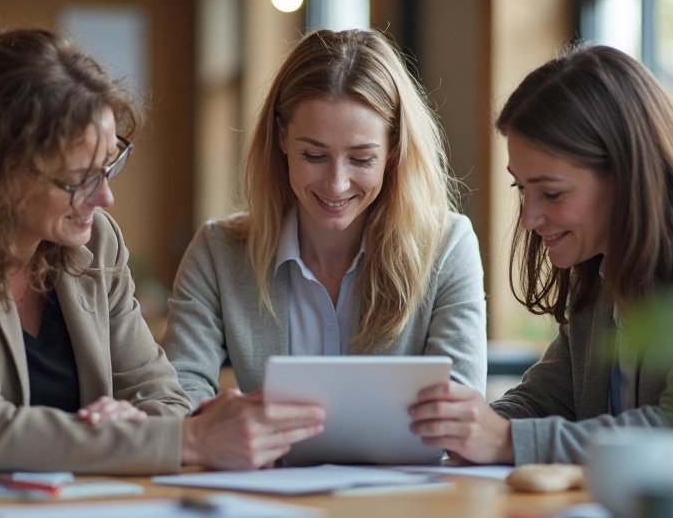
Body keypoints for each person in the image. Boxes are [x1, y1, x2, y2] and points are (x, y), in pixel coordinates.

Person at [0, 28, 324, 473]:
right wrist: (189, 439)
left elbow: (160, 394)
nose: (105, 197)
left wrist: (135, 429)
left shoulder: (95, 240)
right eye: (80, 179)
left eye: (109, 166)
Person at [407, 43, 673, 481]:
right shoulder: (604, 270)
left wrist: (504, 440)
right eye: (521, 189)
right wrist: (458, 429)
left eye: (551, 192)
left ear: (627, 174)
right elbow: (545, 401)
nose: (529, 218)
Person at [161, 28, 487, 411]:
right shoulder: (218, 253)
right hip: (265, 470)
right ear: (282, 137)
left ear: (394, 148)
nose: (336, 184)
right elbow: (177, 393)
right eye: (313, 156)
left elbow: (461, 410)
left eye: (362, 159)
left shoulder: (447, 246)